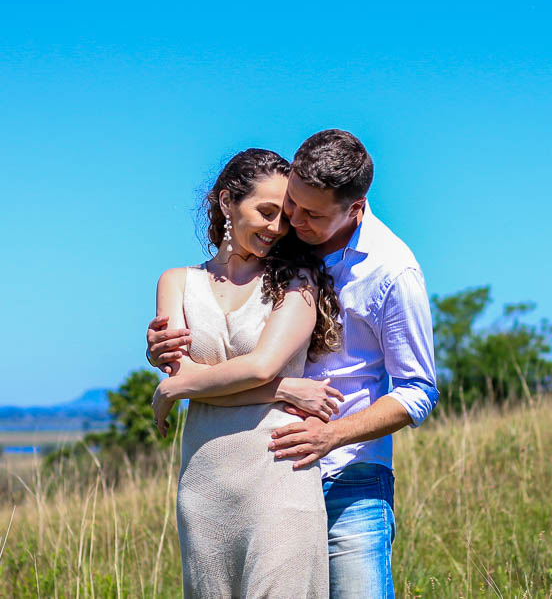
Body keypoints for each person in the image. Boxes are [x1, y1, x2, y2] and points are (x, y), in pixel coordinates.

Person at [147, 129, 439, 598]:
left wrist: (332, 433)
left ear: (355, 209)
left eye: (310, 214)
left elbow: (419, 391)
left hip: (348, 471)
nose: (292, 223)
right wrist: (162, 348)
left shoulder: (391, 272)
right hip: (240, 470)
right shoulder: (282, 247)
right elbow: (205, 350)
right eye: (289, 207)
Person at [150, 148, 346, 598]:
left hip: (278, 471)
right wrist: (283, 392)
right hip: (204, 483)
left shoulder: (297, 279)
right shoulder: (176, 282)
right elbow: (184, 372)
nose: (278, 228)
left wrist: (175, 389)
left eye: (286, 216)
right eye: (266, 212)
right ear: (226, 204)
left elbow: (260, 365)